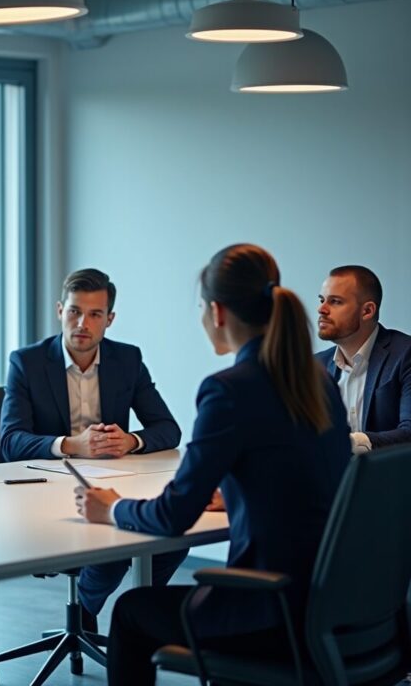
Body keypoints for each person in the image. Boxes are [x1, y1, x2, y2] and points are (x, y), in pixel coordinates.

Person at [76, 244, 351, 686]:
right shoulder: (317, 379)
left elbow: (173, 516)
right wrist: (239, 496)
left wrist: (111, 508)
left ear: (218, 312)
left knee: (130, 611)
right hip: (336, 609)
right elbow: (304, 478)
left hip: (272, 615)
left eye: (202, 308)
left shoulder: (229, 390)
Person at [0, 268, 185, 631]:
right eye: (74, 311)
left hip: (114, 482)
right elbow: (10, 441)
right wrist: (72, 445)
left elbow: (168, 428)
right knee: (113, 545)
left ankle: (137, 613)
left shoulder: (127, 359)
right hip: (47, 491)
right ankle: (88, 608)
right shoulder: (27, 362)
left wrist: (131, 440)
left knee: (176, 538)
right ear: (60, 311)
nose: (82, 323)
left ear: (109, 319)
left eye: (95, 314)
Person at [316, 264, 411, 452]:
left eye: (335, 301)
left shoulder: (405, 354)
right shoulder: (315, 366)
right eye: (322, 300)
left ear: (367, 311)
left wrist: (346, 443)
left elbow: (409, 434)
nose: (322, 309)